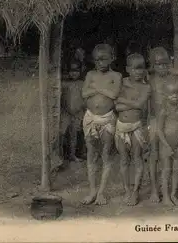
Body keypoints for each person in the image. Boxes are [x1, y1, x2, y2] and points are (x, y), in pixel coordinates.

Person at [81, 44, 122, 205]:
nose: (100, 62)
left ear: (112, 58)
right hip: (90, 118)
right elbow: (84, 93)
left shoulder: (116, 75)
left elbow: (114, 94)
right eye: (97, 59)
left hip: (107, 118)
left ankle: (102, 193)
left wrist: (96, 88)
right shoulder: (90, 74)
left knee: (106, 153)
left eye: (104, 59)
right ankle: (92, 190)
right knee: (91, 154)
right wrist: (104, 88)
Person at [114, 53, 151, 206]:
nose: (138, 72)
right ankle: (127, 190)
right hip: (121, 126)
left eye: (141, 68)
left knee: (137, 158)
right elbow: (116, 106)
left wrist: (123, 102)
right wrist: (131, 103)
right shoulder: (121, 83)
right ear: (128, 69)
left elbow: (140, 105)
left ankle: (135, 191)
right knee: (123, 159)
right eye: (135, 69)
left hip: (137, 126)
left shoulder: (146, 87)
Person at [147, 47, 174, 203]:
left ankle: (167, 191)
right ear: (153, 65)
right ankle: (154, 190)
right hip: (154, 120)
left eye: (165, 64)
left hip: (169, 122)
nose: (162, 67)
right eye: (158, 64)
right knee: (153, 155)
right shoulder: (150, 80)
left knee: (166, 156)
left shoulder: (173, 79)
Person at [156, 76, 178, 206]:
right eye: (171, 94)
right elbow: (159, 130)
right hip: (166, 146)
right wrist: (166, 145)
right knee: (166, 170)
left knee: (176, 170)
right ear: (165, 95)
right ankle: (166, 196)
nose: (174, 96)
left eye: (177, 93)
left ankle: (174, 194)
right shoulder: (164, 111)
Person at [59, 60, 85, 166]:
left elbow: (85, 98)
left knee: (74, 135)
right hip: (65, 113)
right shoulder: (63, 83)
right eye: (71, 70)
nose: (74, 73)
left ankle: (73, 155)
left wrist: (82, 110)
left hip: (78, 113)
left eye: (76, 70)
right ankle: (59, 156)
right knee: (61, 133)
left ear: (80, 71)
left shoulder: (82, 84)